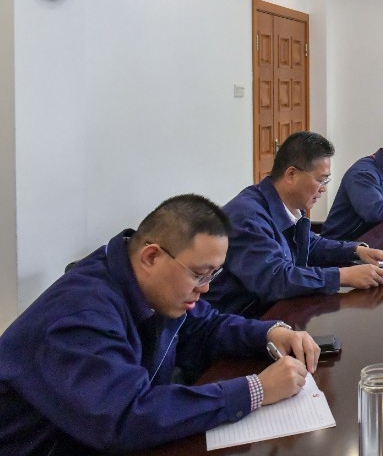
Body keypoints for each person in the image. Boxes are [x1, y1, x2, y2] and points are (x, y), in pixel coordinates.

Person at [0, 194, 320, 455]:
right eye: (199, 274)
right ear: (151, 257)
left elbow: (205, 327)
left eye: (213, 274)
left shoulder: (155, 287)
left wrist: (270, 332)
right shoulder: (80, 314)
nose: (206, 287)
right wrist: (255, 390)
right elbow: (125, 417)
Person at [205, 131, 383, 318]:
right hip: (237, 323)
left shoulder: (285, 204)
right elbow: (276, 280)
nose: (323, 189)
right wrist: (342, 276)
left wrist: (356, 250)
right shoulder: (247, 216)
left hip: (271, 312)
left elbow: (308, 243)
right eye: (321, 180)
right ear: (291, 174)